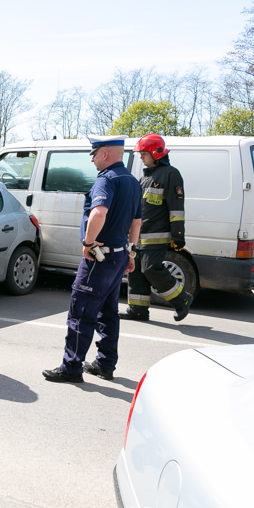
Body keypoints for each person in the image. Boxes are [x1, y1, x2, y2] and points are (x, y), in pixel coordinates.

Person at [43, 135, 142, 383]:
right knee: (108, 313)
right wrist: (131, 251)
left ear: (105, 154)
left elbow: (99, 211)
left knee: (81, 312)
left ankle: (72, 367)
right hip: (118, 257)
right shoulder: (132, 181)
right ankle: (105, 364)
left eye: (94, 153)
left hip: (99, 258)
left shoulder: (106, 179)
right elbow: (136, 221)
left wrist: (88, 243)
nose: (92, 158)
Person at [120, 133, 192, 322]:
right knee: (135, 271)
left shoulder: (170, 174)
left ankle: (182, 299)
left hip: (156, 235)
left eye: (143, 153)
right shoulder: (145, 177)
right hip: (139, 236)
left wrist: (178, 235)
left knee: (151, 269)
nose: (141, 157)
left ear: (155, 153)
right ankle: (138, 309)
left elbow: (176, 208)